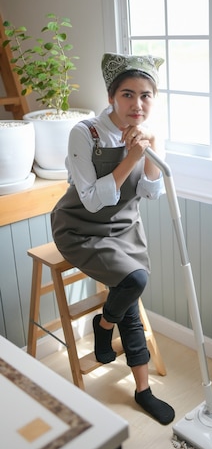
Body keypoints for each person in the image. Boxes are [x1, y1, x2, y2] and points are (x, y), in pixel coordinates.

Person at [51, 52, 175, 425]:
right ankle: (107, 329)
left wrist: (149, 150)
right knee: (134, 281)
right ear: (111, 97)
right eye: (127, 94)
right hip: (80, 228)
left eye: (146, 95)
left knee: (131, 290)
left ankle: (140, 387)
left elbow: (151, 193)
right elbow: (90, 201)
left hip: (123, 226)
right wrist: (130, 157)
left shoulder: (149, 134)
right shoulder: (85, 133)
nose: (137, 105)